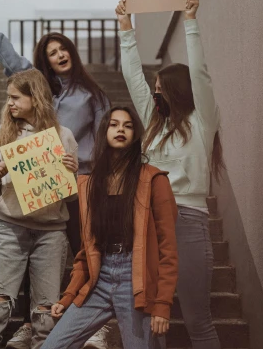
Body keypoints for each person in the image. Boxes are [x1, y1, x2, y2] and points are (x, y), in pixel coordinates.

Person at [0, 1, 111, 349]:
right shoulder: (20, 112)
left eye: (62, 49)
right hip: (17, 214)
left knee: (81, 261)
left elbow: (108, 136)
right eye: (52, 52)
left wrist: (84, 177)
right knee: (8, 295)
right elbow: (13, 62)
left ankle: (89, 323)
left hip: (71, 191)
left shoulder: (88, 98)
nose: (59, 55)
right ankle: (29, 326)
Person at [116, 0, 226, 349]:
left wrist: (191, 22)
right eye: (155, 89)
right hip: (147, 221)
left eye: (161, 89)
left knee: (198, 319)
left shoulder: (201, 122)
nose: (155, 94)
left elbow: (202, 77)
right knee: (148, 317)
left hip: (189, 221)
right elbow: (134, 79)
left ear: (178, 91)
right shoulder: (152, 124)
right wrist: (125, 28)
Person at [42, 106, 178, 349]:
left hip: (135, 279)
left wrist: (162, 304)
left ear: (135, 135)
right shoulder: (89, 184)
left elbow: (168, 249)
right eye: (114, 125)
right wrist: (68, 296)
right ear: (104, 131)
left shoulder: (154, 180)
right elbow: (86, 251)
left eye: (127, 126)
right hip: (100, 277)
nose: (121, 130)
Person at [0, 69, 80, 349]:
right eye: (8, 97)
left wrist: (72, 175)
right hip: (10, 227)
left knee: (46, 313)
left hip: (51, 233)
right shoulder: (0, 135)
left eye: (16, 97)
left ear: (36, 98)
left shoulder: (63, 136)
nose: (9, 103)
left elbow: (70, 198)